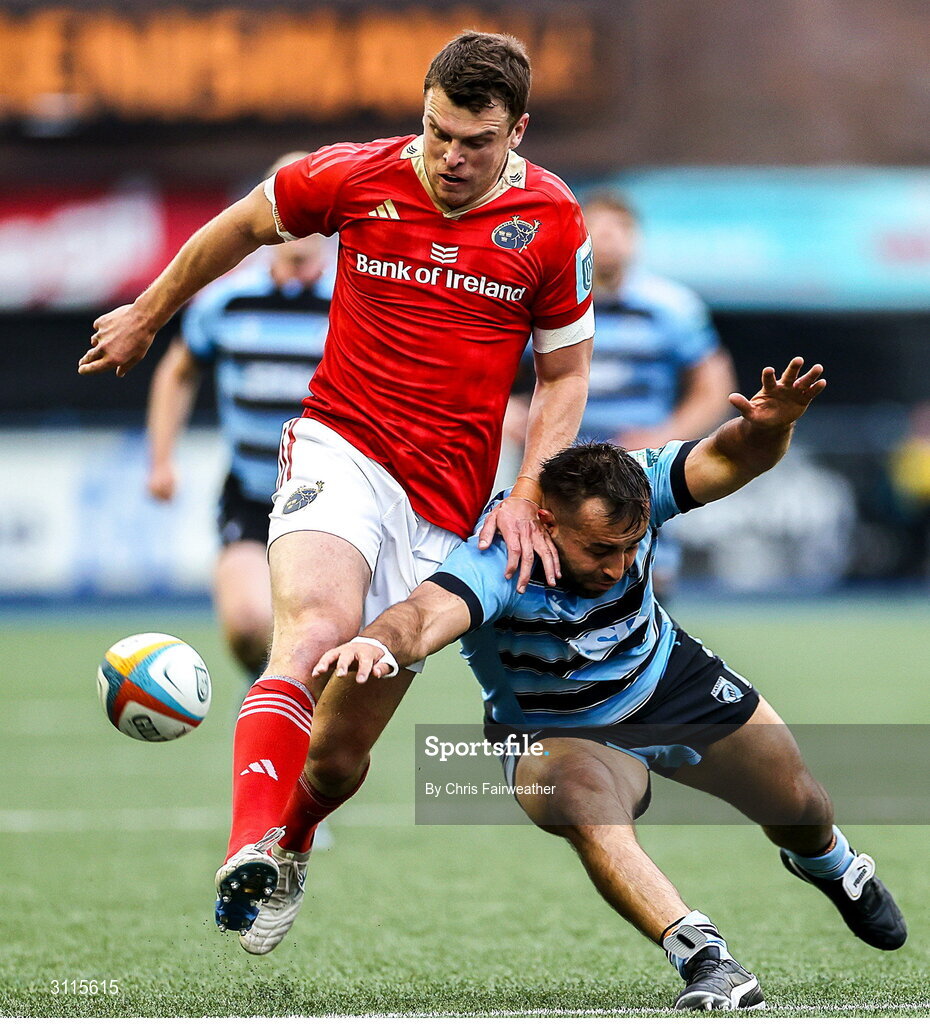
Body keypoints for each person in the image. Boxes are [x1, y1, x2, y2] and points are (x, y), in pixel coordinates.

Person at [79, 31, 594, 948]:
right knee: (311, 635)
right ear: (422, 112)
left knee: (343, 749)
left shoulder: (554, 223)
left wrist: (526, 492)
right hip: (339, 445)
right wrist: (149, 314)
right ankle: (246, 847)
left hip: (445, 503)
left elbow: (563, 377)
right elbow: (239, 223)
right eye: (437, 132)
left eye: (476, 142)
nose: (451, 157)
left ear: (518, 130)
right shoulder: (352, 176)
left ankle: (294, 840)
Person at [316, 358, 906, 1012]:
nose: (619, 567)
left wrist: (774, 426)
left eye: (630, 548)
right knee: (584, 804)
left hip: (669, 681)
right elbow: (422, 616)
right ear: (546, 522)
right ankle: (704, 956)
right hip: (557, 732)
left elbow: (730, 454)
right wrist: (377, 641)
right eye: (600, 551)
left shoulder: (640, 485)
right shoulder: (495, 554)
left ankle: (831, 865)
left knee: (801, 806)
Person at [146, 159, 329, 676]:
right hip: (251, 493)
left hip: (330, 497)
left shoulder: (353, 300)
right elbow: (178, 370)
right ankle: (267, 696)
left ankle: (285, 719)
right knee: (251, 626)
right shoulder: (225, 301)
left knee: (320, 637)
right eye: (292, 205)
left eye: (315, 206)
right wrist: (161, 459)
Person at [505, 192, 736, 593]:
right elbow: (492, 369)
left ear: (636, 239)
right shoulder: (548, 299)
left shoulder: (672, 306)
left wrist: (668, 436)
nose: (608, 239)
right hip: (558, 465)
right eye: (598, 228)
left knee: (647, 573)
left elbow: (714, 385)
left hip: (640, 463)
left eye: (620, 230)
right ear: (578, 235)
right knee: (555, 568)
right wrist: (509, 414)